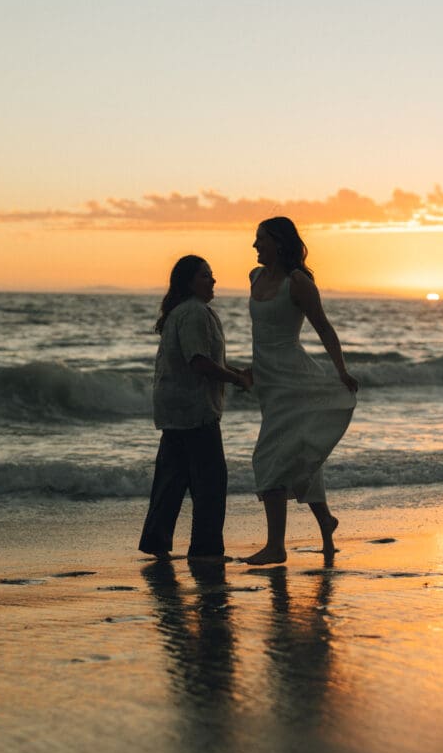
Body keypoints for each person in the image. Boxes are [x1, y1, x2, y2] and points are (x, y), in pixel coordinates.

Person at [244, 217, 359, 565]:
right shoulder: (254, 277)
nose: (254, 246)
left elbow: (323, 327)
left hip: (295, 380)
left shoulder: (298, 282)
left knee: (267, 456)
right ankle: (325, 521)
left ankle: (276, 547)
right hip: (268, 381)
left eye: (260, 239)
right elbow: (261, 333)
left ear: (279, 242)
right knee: (294, 454)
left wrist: (340, 370)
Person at [139, 255, 250, 561]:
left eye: (212, 276)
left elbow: (205, 359)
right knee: (210, 481)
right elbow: (199, 362)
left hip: (174, 409)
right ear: (189, 282)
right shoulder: (195, 313)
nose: (213, 281)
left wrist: (236, 373)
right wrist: (237, 380)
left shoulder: (184, 312)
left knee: (171, 479)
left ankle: (156, 541)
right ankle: (205, 550)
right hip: (193, 410)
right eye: (205, 276)